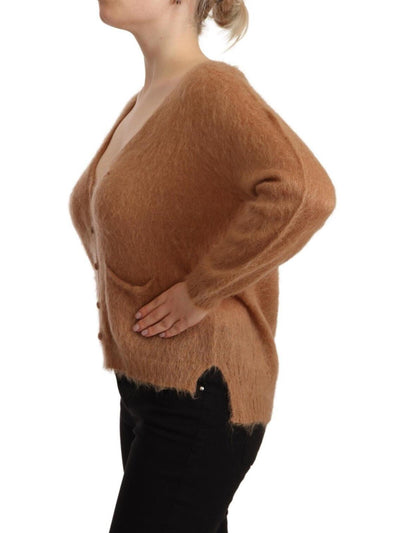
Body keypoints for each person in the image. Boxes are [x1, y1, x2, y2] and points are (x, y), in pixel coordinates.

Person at [69, 1, 336, 531]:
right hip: (146, 388)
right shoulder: (146, 102)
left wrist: (201, 290)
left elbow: (306, 192)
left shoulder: (213, 90)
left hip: (200, 390)